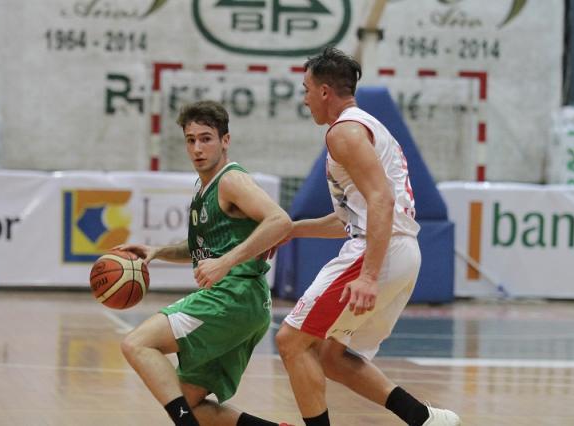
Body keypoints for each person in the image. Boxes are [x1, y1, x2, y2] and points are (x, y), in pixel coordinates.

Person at [274, 47, 462, 426]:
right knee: (329, 354)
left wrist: (369, 275)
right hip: (401, 250)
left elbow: (381, 200)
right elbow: (350, 216)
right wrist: (294, 231)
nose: (304, 97)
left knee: (291, 341)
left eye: (307, 88)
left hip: (380, 250)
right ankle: (424, 418)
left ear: (325, 91)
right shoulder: (366, 127)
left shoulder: (343, 132)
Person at [116, 100, 294, 426]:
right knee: (189, 401)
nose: (197, 148)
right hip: (244, 305)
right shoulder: (204, 187)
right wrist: (157, 251)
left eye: (206, 138)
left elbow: (280, 221)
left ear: (225, 140)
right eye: (191, 139)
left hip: (233, 297)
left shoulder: (231, 180)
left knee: (136, 343)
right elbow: (201, 247)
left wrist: (226, 262)